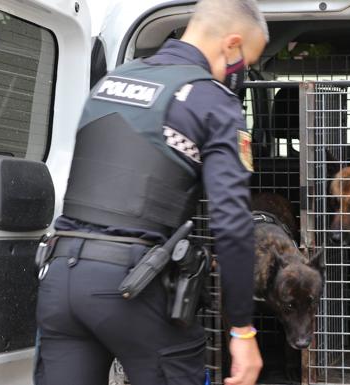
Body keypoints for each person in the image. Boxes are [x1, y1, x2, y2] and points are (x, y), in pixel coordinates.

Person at [33, 1, 267, 384]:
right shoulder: (212, 100)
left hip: (60, 279)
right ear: (231, 44)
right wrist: (242, 329)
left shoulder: (112, 81)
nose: (237, 76)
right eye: (243, 65)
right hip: (133, 286)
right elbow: (232, 223)